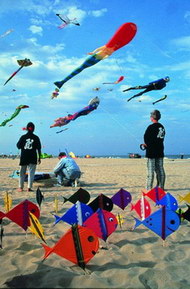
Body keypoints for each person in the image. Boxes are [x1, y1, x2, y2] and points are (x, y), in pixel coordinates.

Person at [141, 110, 166, 191]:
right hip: (160, 151)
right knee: (160, 170)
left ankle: (149, 189)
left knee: (150, 172)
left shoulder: (151, 127)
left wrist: (145, 145)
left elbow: (147, 139)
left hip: (151, 153)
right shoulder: (162, 127)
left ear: (152, 117)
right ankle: (161, 187)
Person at [16, 122, 41, 192]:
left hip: (24, 156)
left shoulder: (23, 137)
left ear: (27, 128)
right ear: (34, 129)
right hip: (33, 157)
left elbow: (18, 146)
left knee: (22, 172)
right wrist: (39, 158)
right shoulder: (36, 137)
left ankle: (20, 187)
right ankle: (29, 187)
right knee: (31, 173)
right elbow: (39, 148)